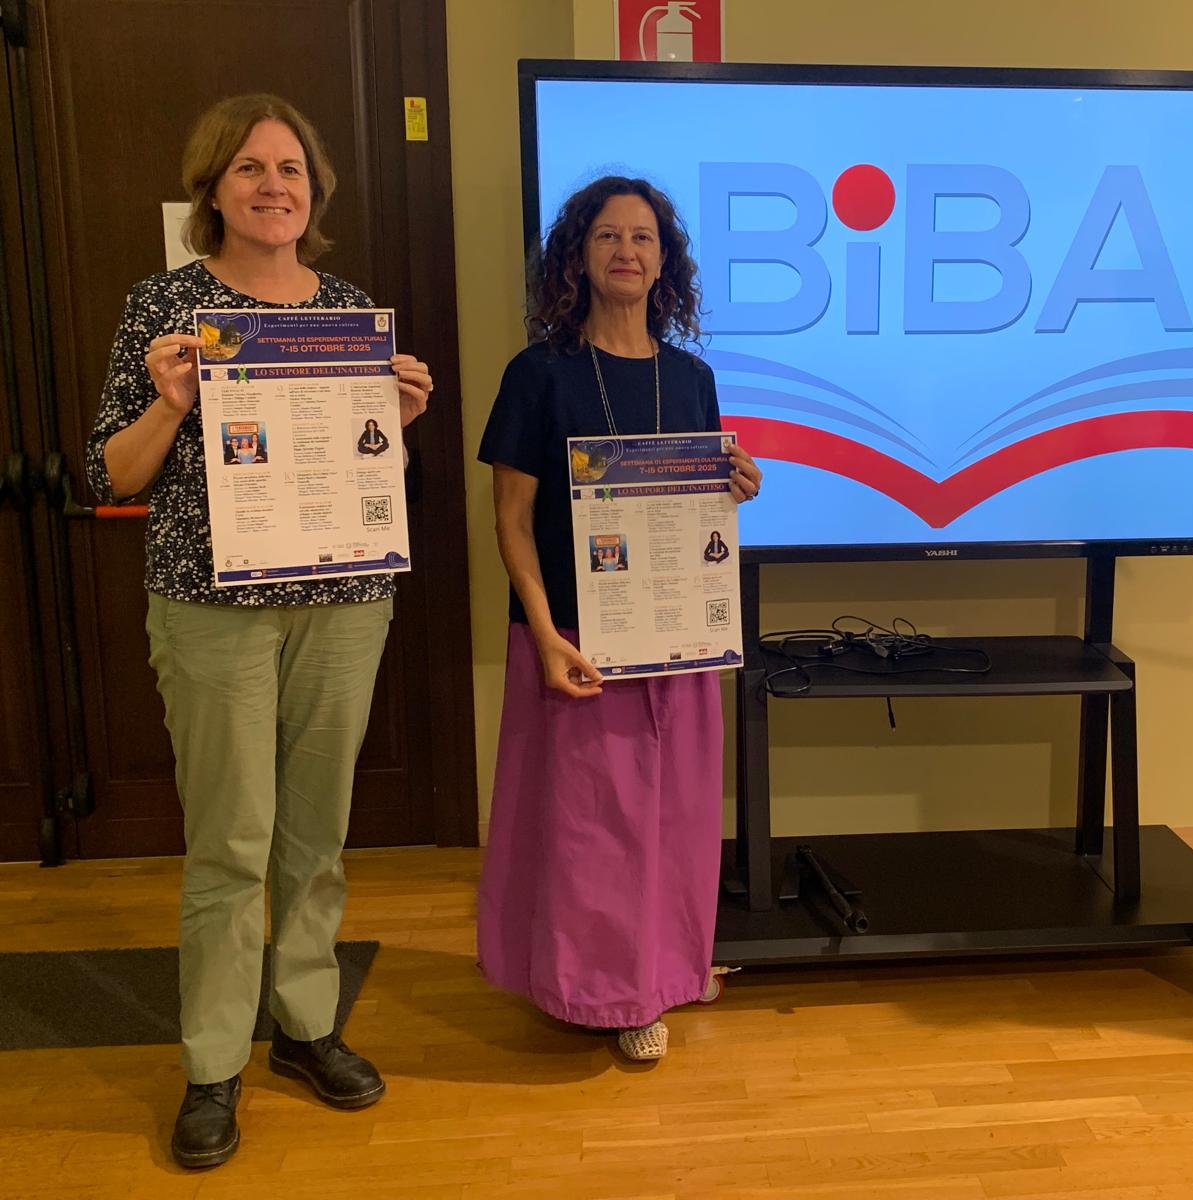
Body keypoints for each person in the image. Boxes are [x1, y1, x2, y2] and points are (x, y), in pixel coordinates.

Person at [84, 94, 436, 1168]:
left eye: (290, 169)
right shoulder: (165, 306)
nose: (273, 186)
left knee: (315, 834)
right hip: (210, 610)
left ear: (314, 192)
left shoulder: (348, 309)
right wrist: (170, 403)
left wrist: (396, 426)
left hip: (343, 603)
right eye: (249, 168)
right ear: (213, 188)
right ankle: (212, 1064)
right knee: (231, 842)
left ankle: (306, 1026)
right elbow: (113, 474)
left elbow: (373, 476)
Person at [477, 176, 761, 1063]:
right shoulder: (538, 374)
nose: (626, 251)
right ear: (578, 255)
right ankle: (609, 994)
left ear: (665, 261)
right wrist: (542, 633)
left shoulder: (692, 378)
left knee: (676, 818)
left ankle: (668, 967)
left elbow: (697, 516)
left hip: (676, 639)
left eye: (643, 237)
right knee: (594, 831)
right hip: (576, 643)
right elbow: (511, 522)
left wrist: (735, 487)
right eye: (607, 236)